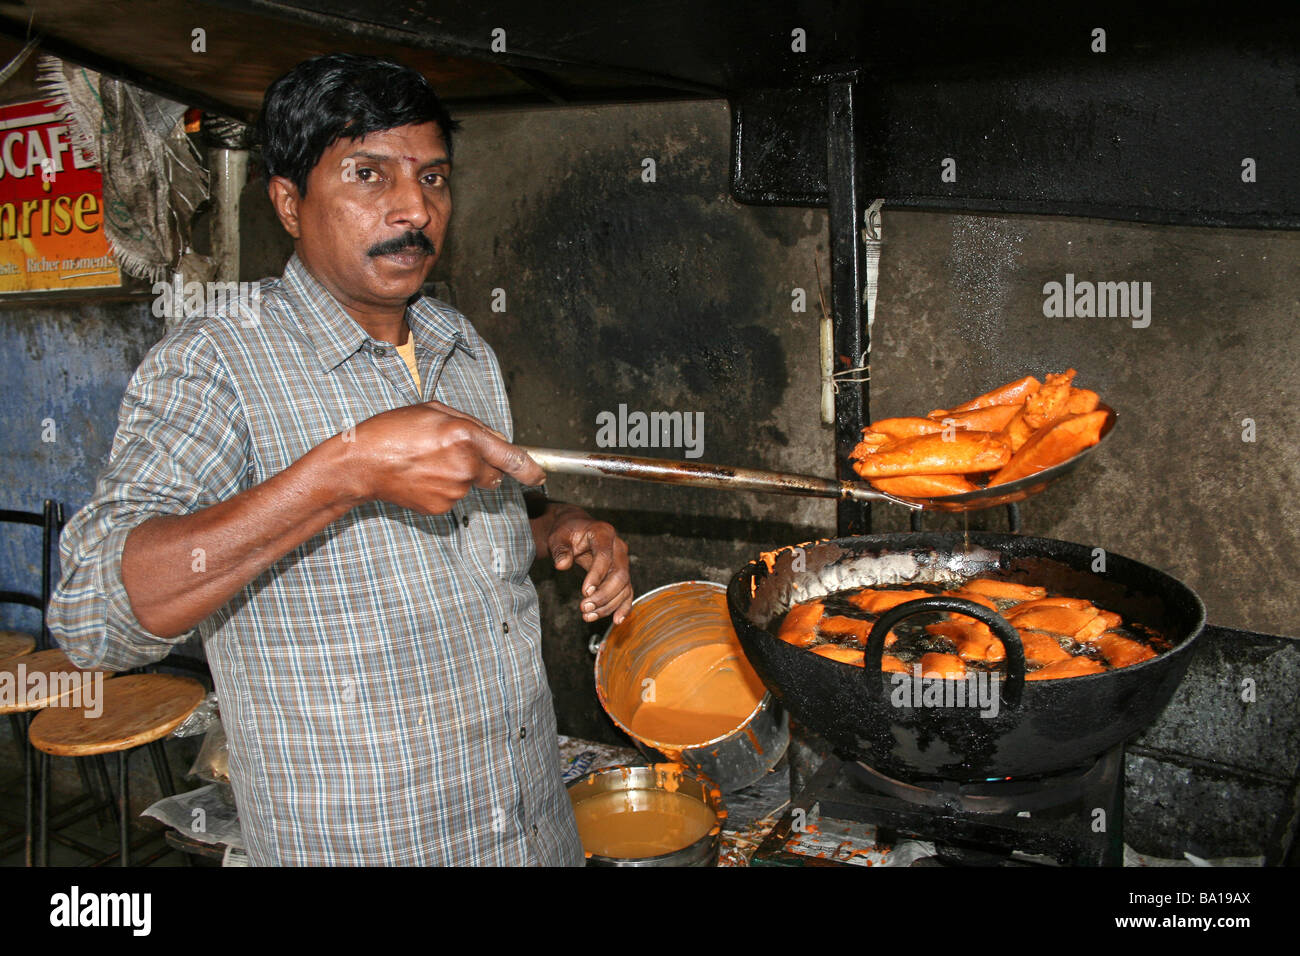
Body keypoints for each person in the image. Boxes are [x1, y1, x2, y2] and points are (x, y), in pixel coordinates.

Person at [47, 53, 633, 865]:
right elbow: (90, 616)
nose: (413, 207)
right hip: (363, 842)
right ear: (289, 203)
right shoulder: (218, 360)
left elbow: (483, 533)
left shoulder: (462, 348)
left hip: (527, 825)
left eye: (433, 178)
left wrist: (563, 528)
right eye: (368, 174)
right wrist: (342, 474)